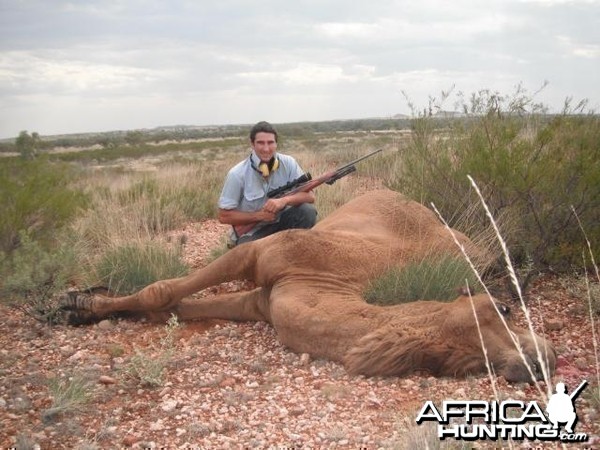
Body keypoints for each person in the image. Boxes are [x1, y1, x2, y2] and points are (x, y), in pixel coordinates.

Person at [218, 121, 317, 246]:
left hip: (282, 222)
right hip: (254, 231)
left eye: (270, 142)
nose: (266, 148)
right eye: (260, 143)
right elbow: (224, 216)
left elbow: (310, 196)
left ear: (276, 143)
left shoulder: (289, 163)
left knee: (307, 211)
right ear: (252, 144)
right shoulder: (237, 174)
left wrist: (283, 201)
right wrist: (259, 216)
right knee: (250, 254)